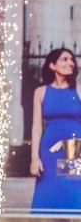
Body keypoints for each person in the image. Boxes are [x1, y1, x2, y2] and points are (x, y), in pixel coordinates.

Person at [30, 48, 81, 211]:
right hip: (49, 148)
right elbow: (37, 128)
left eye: (72, 60)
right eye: (64, 59)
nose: (70, 63)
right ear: (52, 65)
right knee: (48, 191)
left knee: (72, 191)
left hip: (73, 146)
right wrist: (34, 158)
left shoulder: (79, 90)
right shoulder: (40, 92)